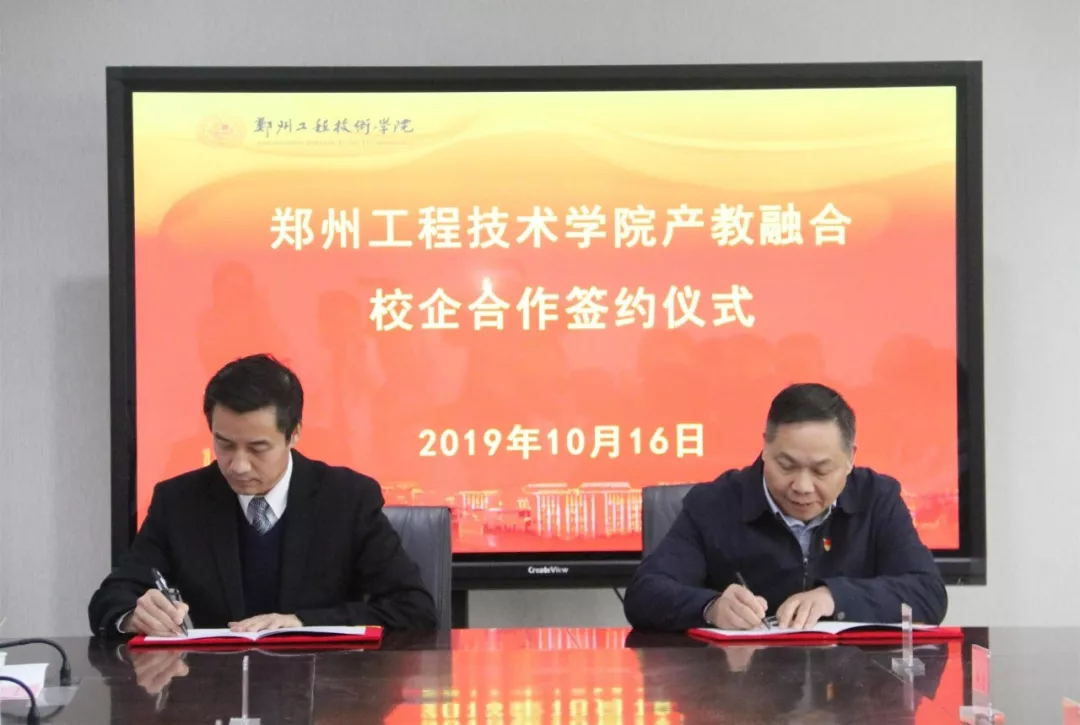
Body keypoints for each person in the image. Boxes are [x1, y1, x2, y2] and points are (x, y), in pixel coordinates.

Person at [89, 354, 436, 637]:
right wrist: (133, 615)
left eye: (258, 448)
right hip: (209, 690)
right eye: (225, 444)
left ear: (294, 433)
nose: (238, 466)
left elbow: (413, 608)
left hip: (323, 689)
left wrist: (303, 623)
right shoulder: (179, 501)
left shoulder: (347, 499)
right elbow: (111, 599)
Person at [623, 382, 947, 631]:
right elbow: (645, 593)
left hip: (851, 685)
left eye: (821, 471)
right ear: (765, 448)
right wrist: (710, 607)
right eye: (786, 465)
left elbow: (927, 593)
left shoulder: (877, 498)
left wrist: (834, 597)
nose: (802, 486)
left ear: (850, 458)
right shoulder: (714, 503)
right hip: (739, 688)